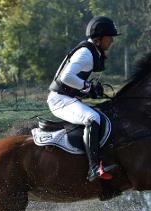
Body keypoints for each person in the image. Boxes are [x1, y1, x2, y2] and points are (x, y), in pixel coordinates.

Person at [47, 16, 119, 182]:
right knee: (92, 118)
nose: (112, 41)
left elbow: (78, 81)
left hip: (68, 99)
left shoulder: (92, 51)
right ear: (99, 38)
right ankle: (94, 168)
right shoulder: (86, 53)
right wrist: (87, 87)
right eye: (110, 37)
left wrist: (91, 90)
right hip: (60, 100)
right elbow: (66, 77)